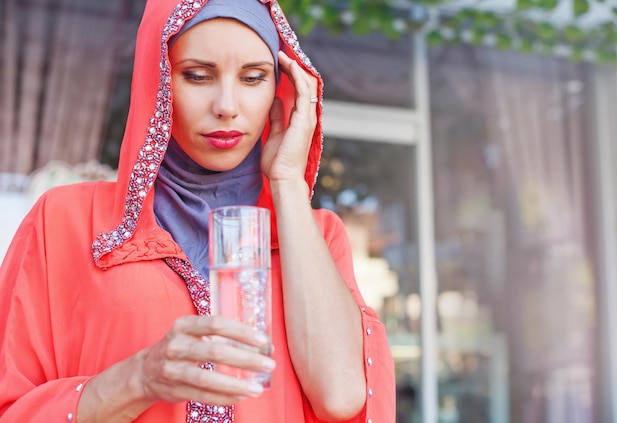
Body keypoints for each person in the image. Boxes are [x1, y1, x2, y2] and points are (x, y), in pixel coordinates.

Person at [0, 0, 396, 421]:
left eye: (253, 78)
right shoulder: (64, 221)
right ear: (158, 81)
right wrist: (138, 380)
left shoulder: (314, 235)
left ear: (280, 94)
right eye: (198, 75)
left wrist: (287, 185)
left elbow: (341, 397)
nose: (226, 105)